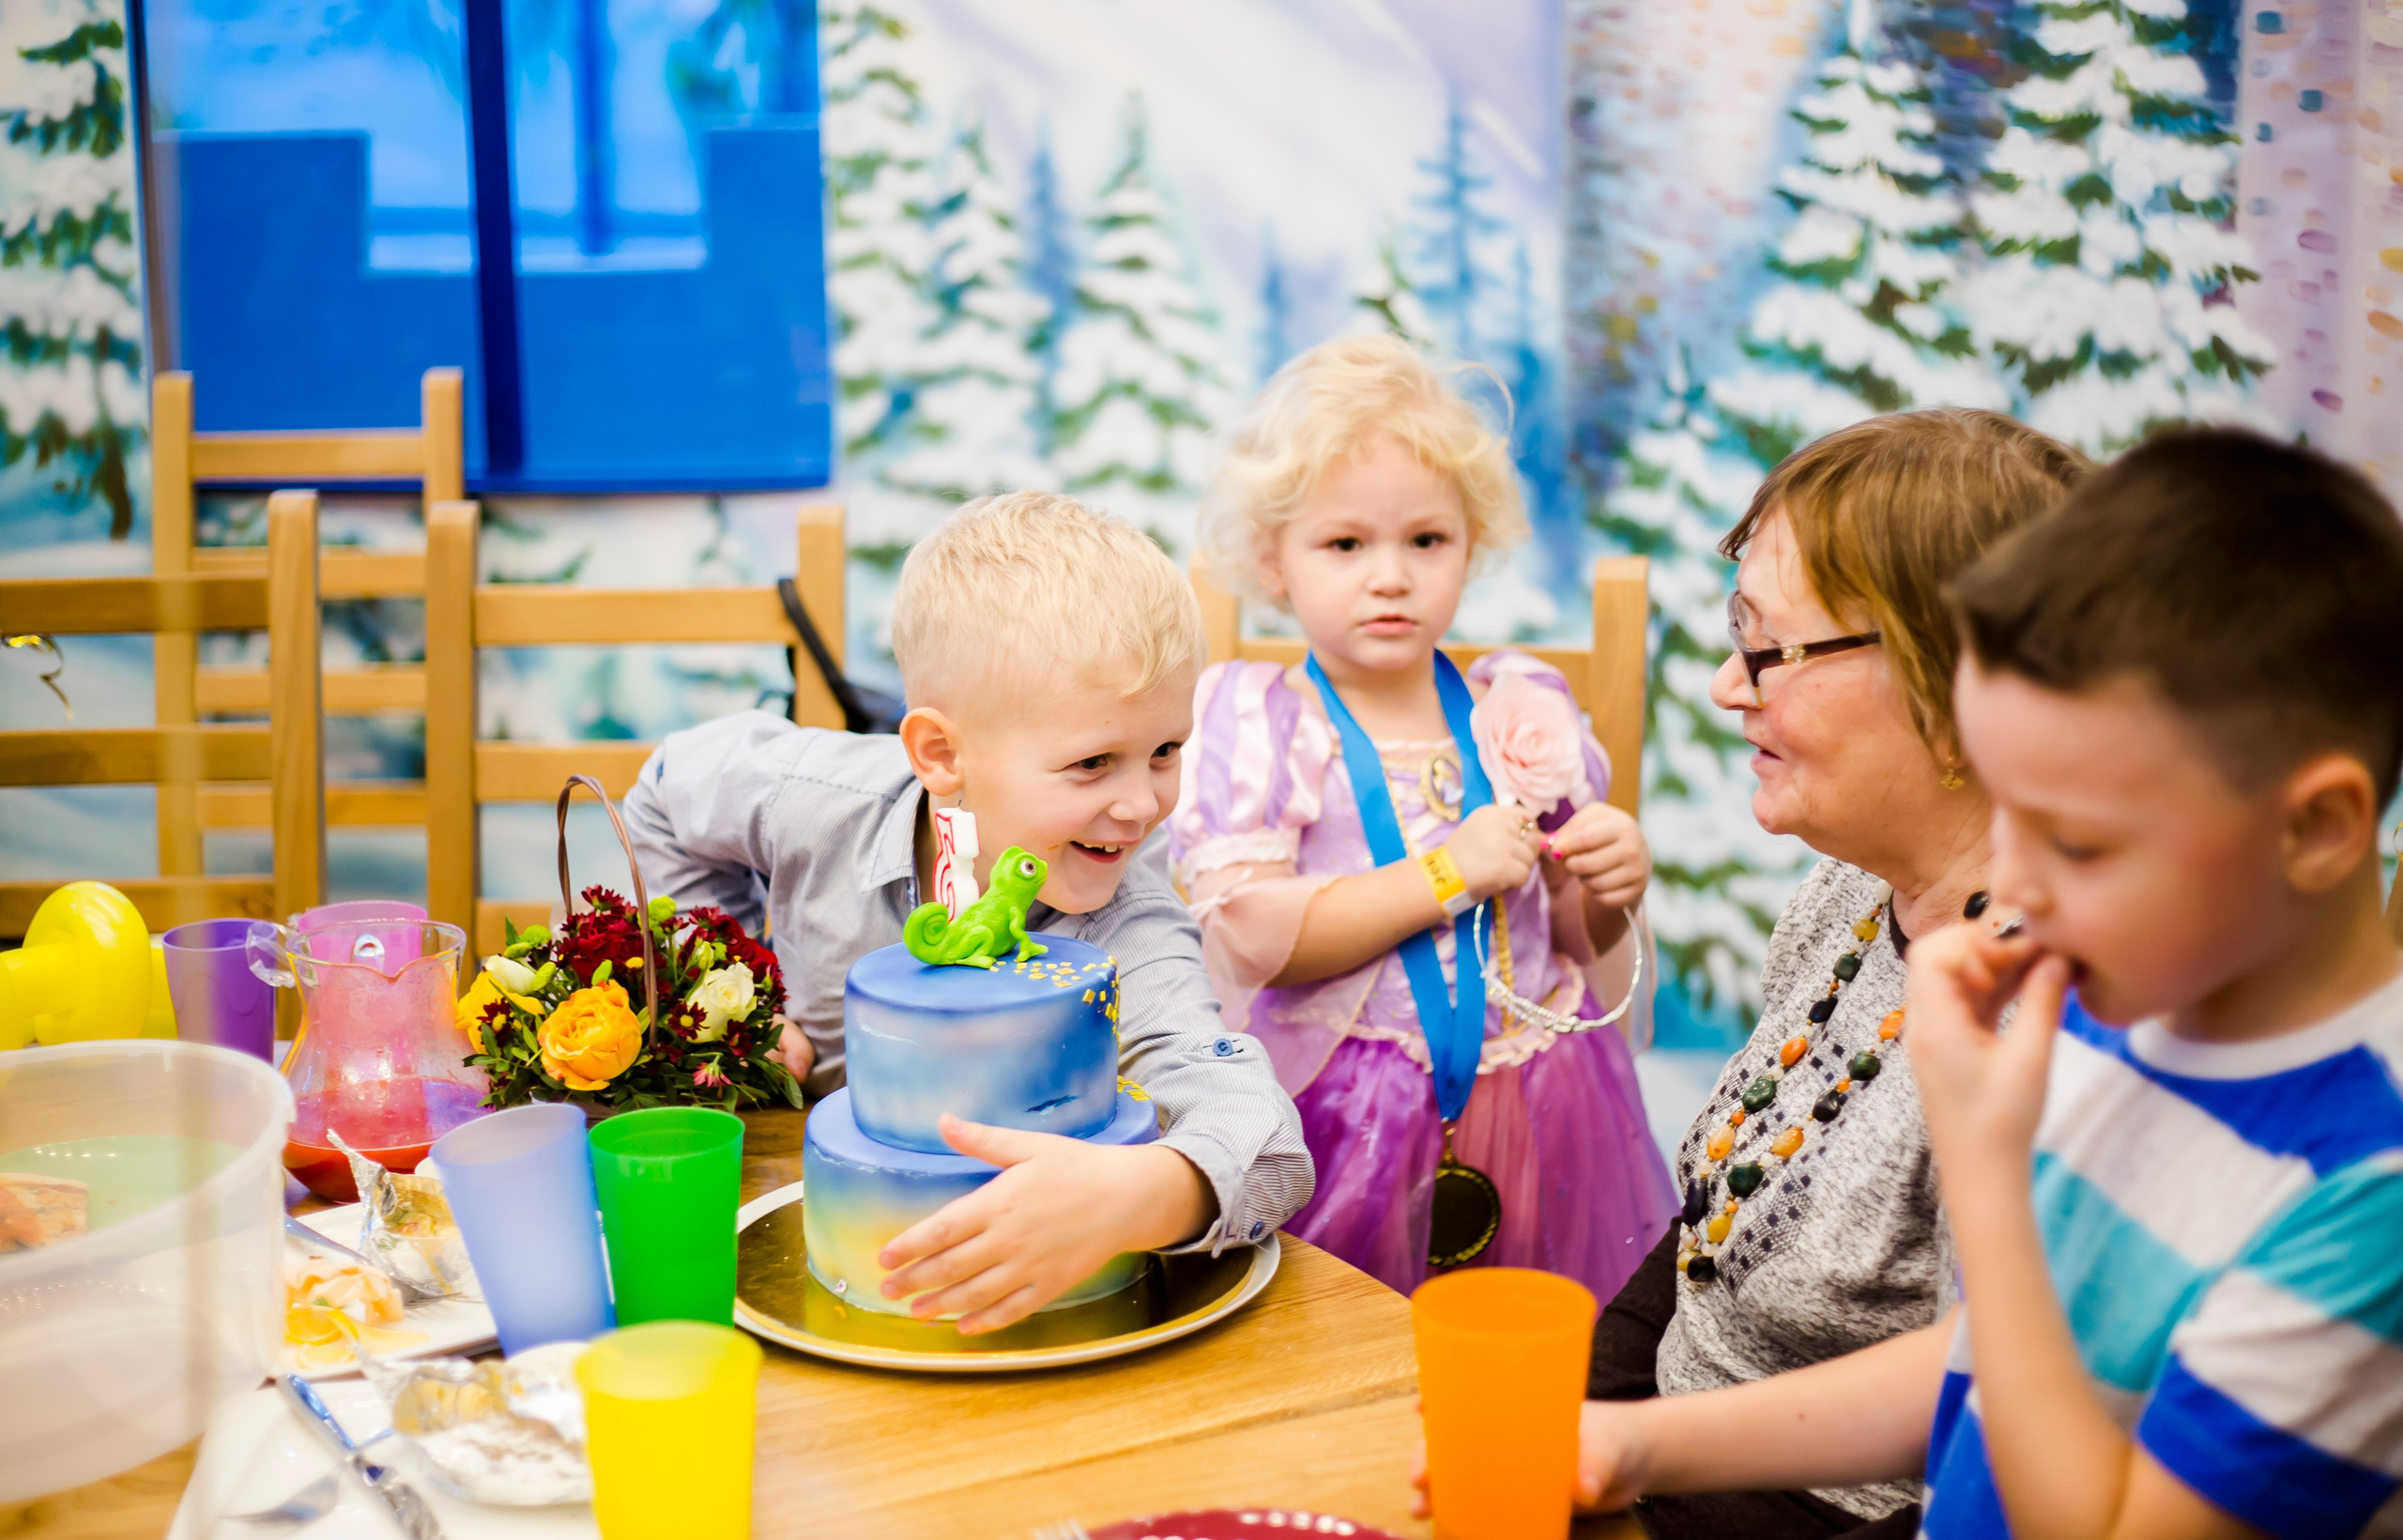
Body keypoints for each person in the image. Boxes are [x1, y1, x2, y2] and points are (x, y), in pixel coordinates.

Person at [1549, 430, 2403, 1540]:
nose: (2017, 894)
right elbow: (1983, 1368)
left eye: (2076, 842)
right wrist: (1636, 1444)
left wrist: (1987, 1166)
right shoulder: (2143, 1014)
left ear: (2316, 830)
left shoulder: (2367, 1193)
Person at [622, 491, 1313, 1335]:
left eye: (1165, 750)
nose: (1141, 804)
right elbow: (664, 793)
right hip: (791, 1226)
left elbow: (1267, 1141)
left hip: (1034, 1308)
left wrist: (1146, 1194)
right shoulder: (816, 801)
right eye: (1093, 762)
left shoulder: (1127, 923)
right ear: (942, 753)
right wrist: (728, 984)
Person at [1582, 410, 2087, 1538]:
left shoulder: (2045, 1022)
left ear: (1957, 694)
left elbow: (1992, 1419)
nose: (1729, 685)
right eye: (1737, 634)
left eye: (1771, 650)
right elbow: (1713, 1240)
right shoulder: (1850, 894)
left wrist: (1622, 1450)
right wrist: (1586, 1407)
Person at [1168, 334, 1675, 1301]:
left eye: (1426, 540)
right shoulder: (1268, 724)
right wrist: (1450, 872)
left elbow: (1568, 938)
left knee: (1537, 1335)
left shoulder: (1518, 711)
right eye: (1345, 544)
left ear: (1469, 546)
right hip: (1349, 1111)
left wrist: (1609, 886)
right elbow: (1257, 938)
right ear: (1274, 561)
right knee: (1342, 1342)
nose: (1390, 576)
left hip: (1546, 1099)